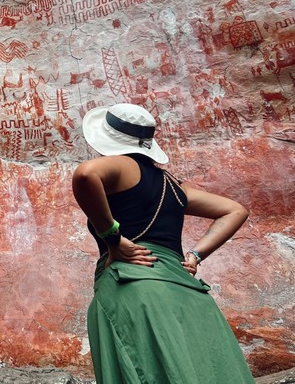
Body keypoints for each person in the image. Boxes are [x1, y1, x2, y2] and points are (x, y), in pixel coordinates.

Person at [71, 103, 254, 383]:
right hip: (186, 292)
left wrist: (112, 237)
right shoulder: (173, 185)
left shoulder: (122, 164)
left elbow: (85, 174)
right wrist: (195, 255)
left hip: (135, 286)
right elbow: (235, 210)